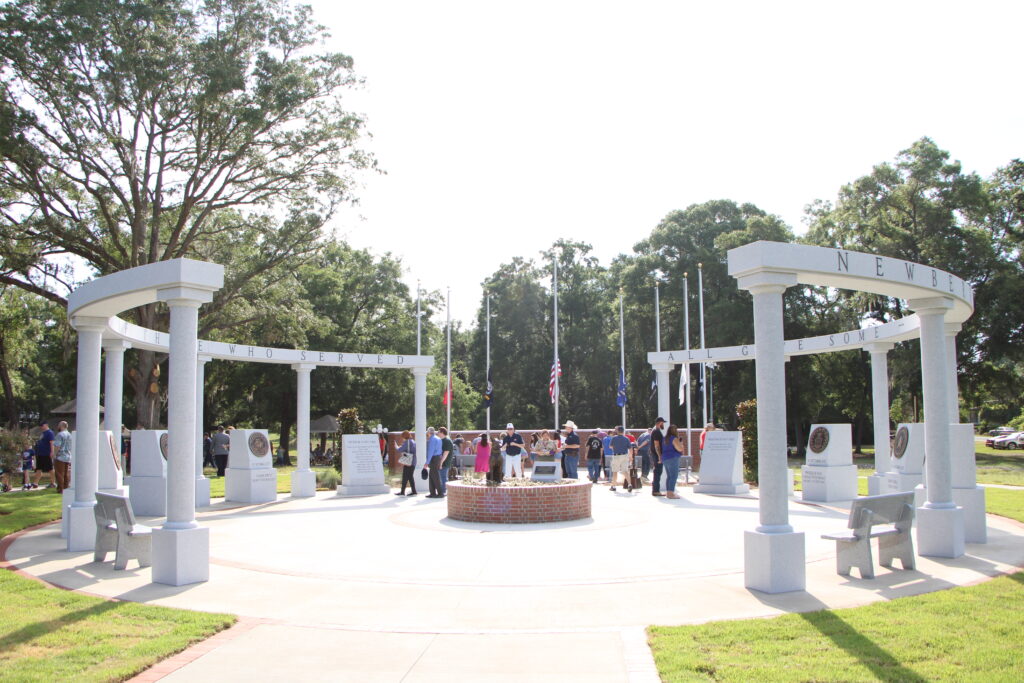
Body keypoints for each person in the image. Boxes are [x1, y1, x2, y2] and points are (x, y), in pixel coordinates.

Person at [608, 426, 635, 492]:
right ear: (623, 431)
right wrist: (631, 457)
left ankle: (613, 486)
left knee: (615, 471)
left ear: (617, 431)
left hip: (616, 456)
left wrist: (615, 447)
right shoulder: (626, 439)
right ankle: (629, 484)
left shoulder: (614, 438)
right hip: (625, 456)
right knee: (625, 471)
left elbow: (610, 446)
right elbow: (630, 448)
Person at [662, 423, 685, 499]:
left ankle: (668, 491)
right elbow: (679, 449)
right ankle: (670, 493)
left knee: (669, 476)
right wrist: (681, 444)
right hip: (673, 458)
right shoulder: (674, 439)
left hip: (665, 458)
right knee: (674, 476)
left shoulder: (664, 438)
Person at [31, 420, 55, 489]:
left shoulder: (50, 433)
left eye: (42, 425)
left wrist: (52, 452)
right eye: (40, 426)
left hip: (46, 453)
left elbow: (51, 443)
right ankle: (35, 483)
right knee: (39, 468)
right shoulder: (42, 433)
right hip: (40, 453)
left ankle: (53, 482)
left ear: (46, 425)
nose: (41, 427)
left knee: (50, 468)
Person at [421, 427, 443, 498]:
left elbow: (430, 451)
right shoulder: (438, 438)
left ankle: (440, 493)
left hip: (434, 458)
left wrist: (427, 462)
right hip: (437, 457)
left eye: (427, 432)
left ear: (429, 432)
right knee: (431, 476)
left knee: (435, 476)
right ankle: (432, 492)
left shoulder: (432, 440)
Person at [395, 430, 417, 496]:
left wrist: (396, 446)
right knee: (410, 477)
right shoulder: (413, 441)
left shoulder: (407, 442)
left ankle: (403, 492)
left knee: (405, 477)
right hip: (413, 461)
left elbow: (399, 450)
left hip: (408, 462)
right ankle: (413, 491)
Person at [650, 417, 665, 497]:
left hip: (656, 454)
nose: (663, 425)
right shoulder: (656, 431)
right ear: (660, 423)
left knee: (657, 472)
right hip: (657, 455)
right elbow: (656, 445)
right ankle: (656, 490)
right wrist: (659, 456)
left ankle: (655, 490)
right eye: (663, 423)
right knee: (658, 472)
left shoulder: (655, 430)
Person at [438, 427, 455, 494]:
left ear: (442, 432)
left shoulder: (447, 441)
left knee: (443, 477)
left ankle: (444, 491)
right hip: (442, 462)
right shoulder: (442, 440)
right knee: (441, 477)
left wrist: (441, 463)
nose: (437, 433)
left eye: (438, 432)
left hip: (445, 463)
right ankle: (442, 491)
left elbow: (446, 453)